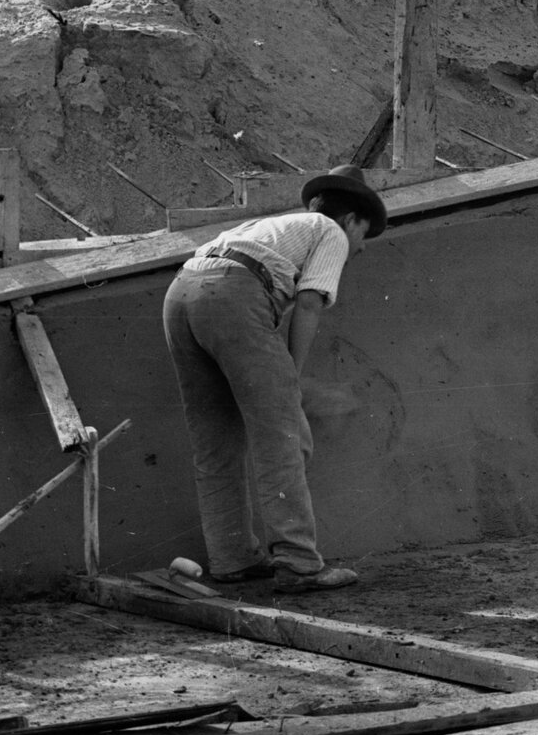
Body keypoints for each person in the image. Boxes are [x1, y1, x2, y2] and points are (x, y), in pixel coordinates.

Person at [162, 164, 386, 592]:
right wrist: (292, 383)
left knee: (215, 442)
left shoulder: (273, 227)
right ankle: (299, 563)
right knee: (284, 437)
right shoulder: (331, 232)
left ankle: (232, 560)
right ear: (352, 219)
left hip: (182, 295)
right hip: (232, 294)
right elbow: (307, 305)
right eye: (364, 234)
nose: (361, 247)